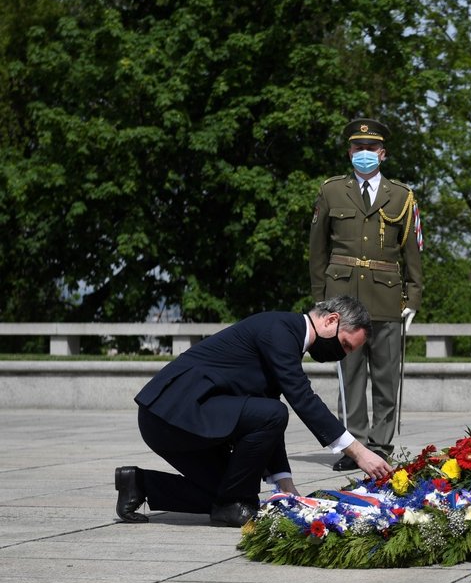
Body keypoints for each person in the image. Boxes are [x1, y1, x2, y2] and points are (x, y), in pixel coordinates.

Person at [114, 296, 393, 527]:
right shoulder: (281, 330)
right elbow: (301, 399)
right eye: (344, 344)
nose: (341, 354)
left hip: (181, 418)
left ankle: (139, 484)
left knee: (234, 497)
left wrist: (286, 485)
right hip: (171, 413)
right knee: (273, 414)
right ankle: (232, 506)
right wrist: (358, 452)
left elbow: (266, 415)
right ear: (331, 320)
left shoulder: (287, 337)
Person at [309, 118, 423, 471]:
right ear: (349, 152)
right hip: (341, 296)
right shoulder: (331, 191)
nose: (364, 154)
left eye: (370, 149)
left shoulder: (402, 196)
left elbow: (413, 253)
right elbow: (317, 249)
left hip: (388, 296)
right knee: (350, 374)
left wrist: (413, 297)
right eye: (358, 148)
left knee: (387, 375)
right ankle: (352, 445)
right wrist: (319, 298)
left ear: (382, 154)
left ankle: (382, 444)